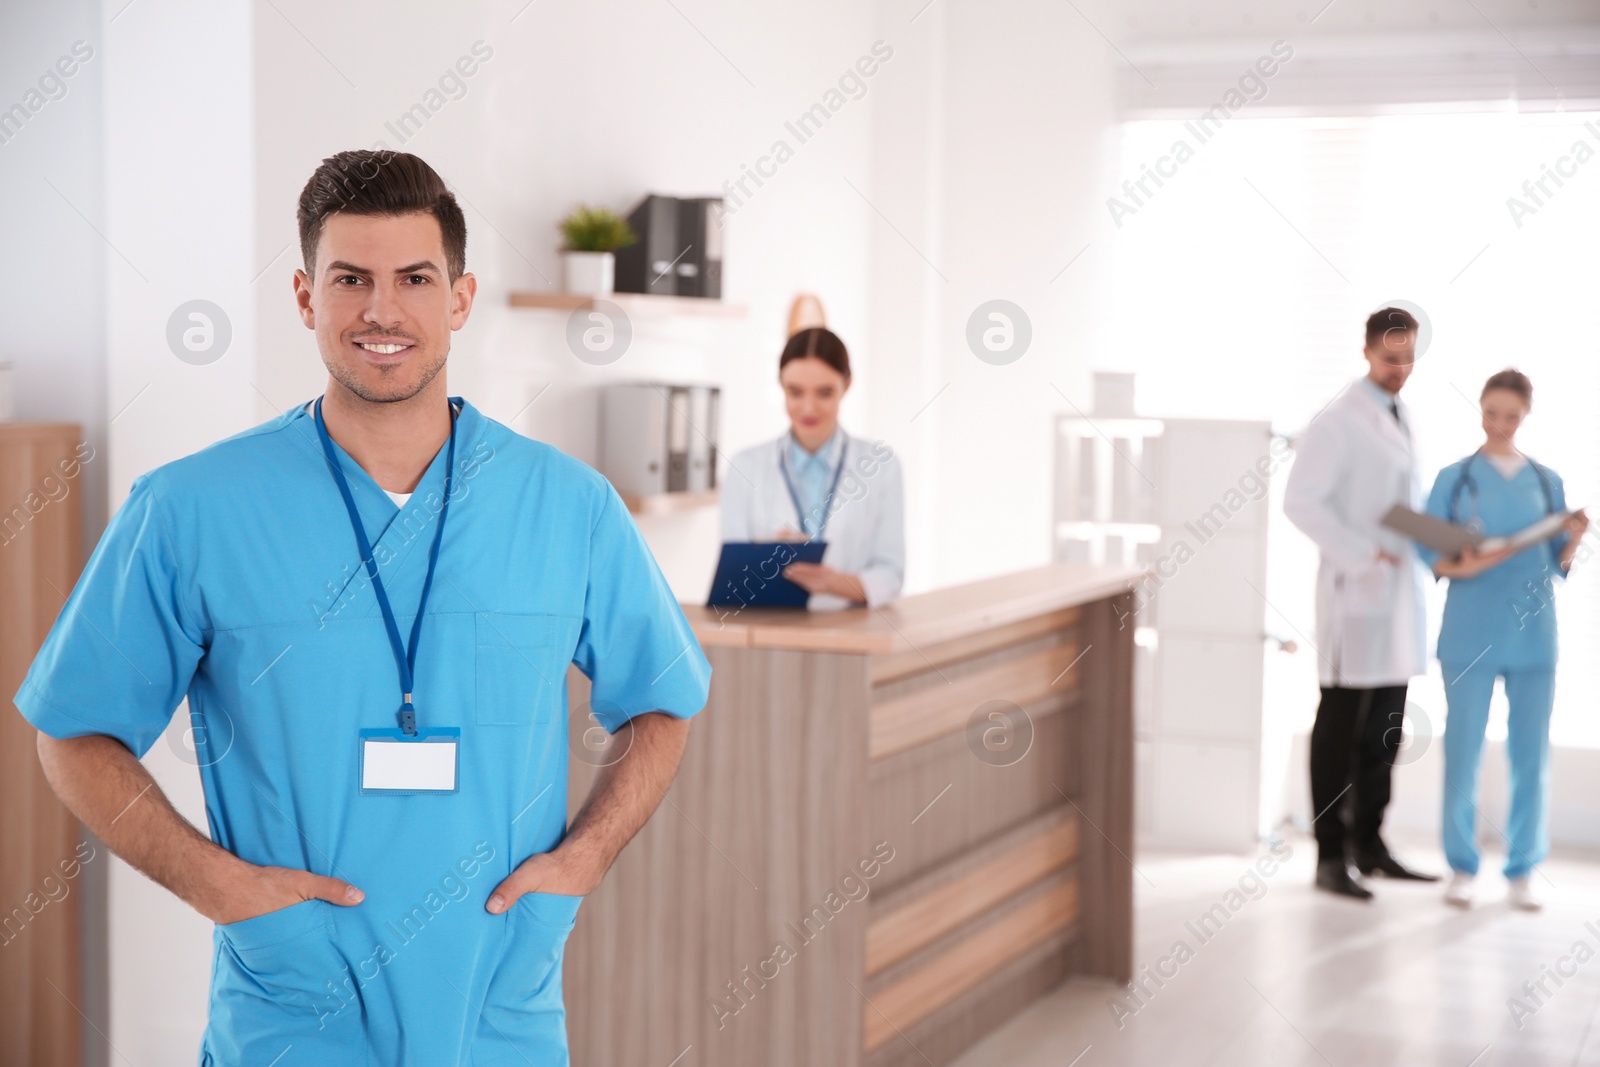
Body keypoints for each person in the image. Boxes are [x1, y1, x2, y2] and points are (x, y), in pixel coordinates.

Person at [14, 150, 710, 1065]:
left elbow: (663, 697)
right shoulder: (192, 508)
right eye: (351, 279)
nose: (383, 310)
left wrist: (585, 859)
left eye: (415, 279)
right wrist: (221, 888)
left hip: (499, 1007)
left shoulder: (567, 505)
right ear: (305, 297)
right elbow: (72, 731)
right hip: (294, 1011)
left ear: (459, 299)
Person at [1284, 306, 1439, 899]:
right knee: (1340, 727)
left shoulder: (1399, 415)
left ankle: (1371, 846)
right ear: (1367, 350)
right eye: (1390, 358)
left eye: (1408, 359)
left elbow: (1402, 499)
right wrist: (1362, 554)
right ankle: (1331, 855)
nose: (1400, 369)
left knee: (1386, 730)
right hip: (1357, 595)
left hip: (1398, 598)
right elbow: (1302, 503)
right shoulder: (1337, 420)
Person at [1417, 369, 1586, 911]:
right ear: (1481, 409)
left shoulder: (1546, 481)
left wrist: (1575, 540)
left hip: (1534, 636)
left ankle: (1521, 871)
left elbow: (1559, 564)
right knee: (1463, 751)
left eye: (1511, 416)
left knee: (1530, 755)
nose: (1500, 424)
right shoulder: (1454, 478)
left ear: (1525, 415)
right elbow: (1435, 558)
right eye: (1491, 413)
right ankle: (1462, 867)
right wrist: (1471, 560)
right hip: (1470, 633)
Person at [719, 325, 905, 610]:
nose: (808, 408)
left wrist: (833, 582)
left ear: (847, 385)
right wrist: (766, 555)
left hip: (852, 633)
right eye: (795, 392)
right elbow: (733, 577)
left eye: (824, 393)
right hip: (771, 632)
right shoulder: (744, 466)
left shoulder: (883, 467)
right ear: (781, 384)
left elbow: (891, 575)